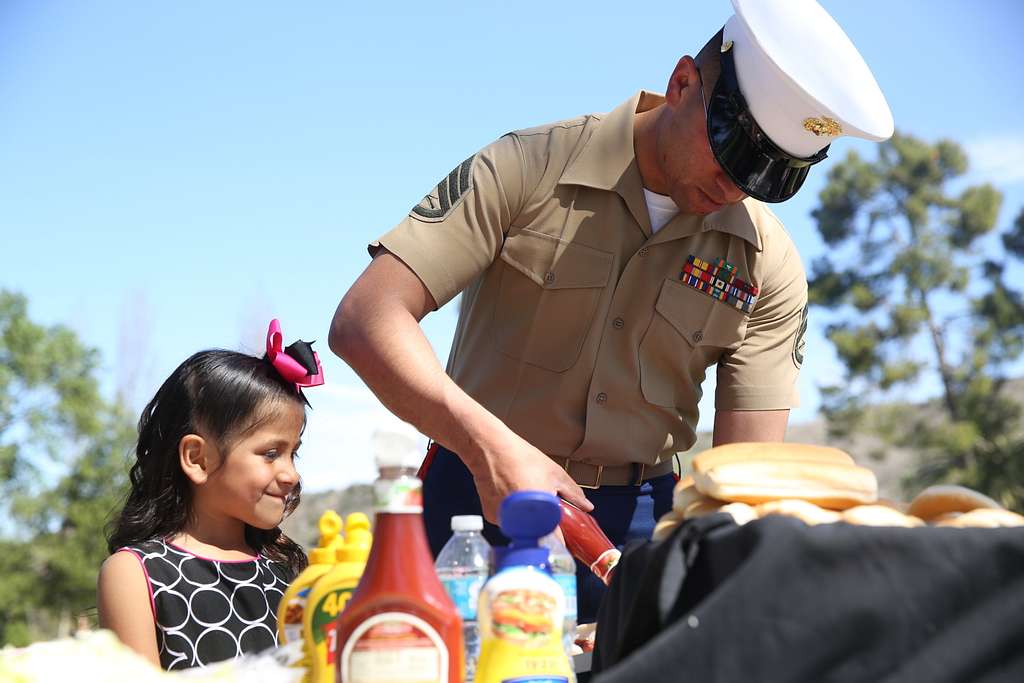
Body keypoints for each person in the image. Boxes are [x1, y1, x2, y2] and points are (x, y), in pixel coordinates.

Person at [328, 0, 893, 627]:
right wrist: (485, 446)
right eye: (732, 150)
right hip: (473, 502)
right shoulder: (529, 165)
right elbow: (367, 319)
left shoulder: (768, 265)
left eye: (768, 176)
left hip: (639, 533)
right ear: (683, 84)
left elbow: (747, 481)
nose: (735, 187)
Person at [97, 319, 324, 670]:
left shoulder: (287, 571)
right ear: (197, 459)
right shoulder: (136, 574)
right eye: (270, 453)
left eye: (293, 453)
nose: (291, 474)